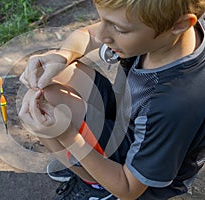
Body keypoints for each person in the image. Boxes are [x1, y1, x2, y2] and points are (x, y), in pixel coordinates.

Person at [18, 0, 205, 199]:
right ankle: (92, 170)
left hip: (139, 179)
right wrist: (62, 55)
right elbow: (89, 35)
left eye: (118, 28)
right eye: (103, 20)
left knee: (48, 109)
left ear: (179, 25)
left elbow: (129, 189)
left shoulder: (173, 104)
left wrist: (67, 136)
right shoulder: (168, 35)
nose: (101, 35)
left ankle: (99, 188)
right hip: (127, 119)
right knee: (51, 82)